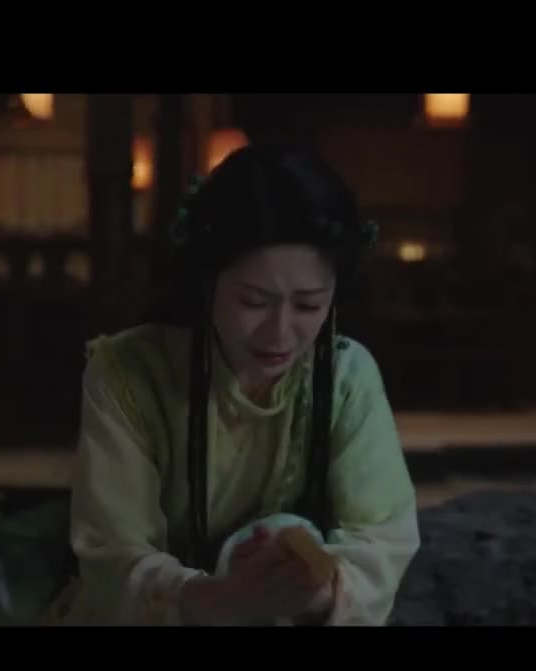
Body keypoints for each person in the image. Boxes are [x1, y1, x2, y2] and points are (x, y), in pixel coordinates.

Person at [49, 142, 420, 626]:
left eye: (308, 305)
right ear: (207, 281)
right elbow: (112, 557)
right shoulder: (128, 372)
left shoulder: (346, 377)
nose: (279, 333)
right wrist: (221, 600)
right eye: (253, 301)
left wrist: (311, 590)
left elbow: (384, 537)